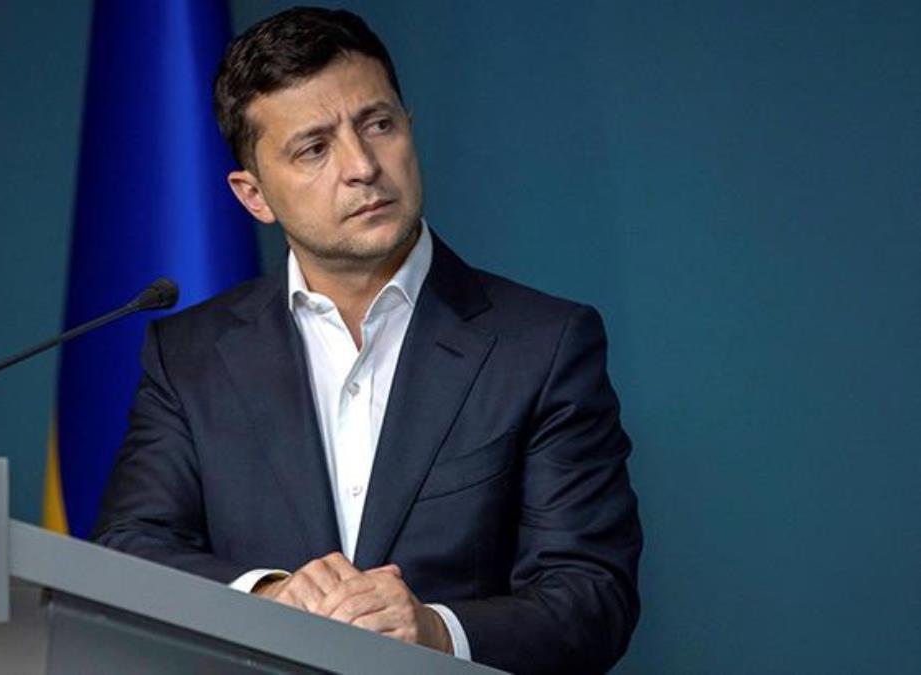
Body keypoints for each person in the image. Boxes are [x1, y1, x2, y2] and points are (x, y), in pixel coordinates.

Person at [94, 7, 641, 673]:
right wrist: (266, 596)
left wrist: (436, 631)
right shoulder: (188, 355)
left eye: (378, 124)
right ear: (253, 196)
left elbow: (592, 596)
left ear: (409, 127)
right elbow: (129, 546)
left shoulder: (544, 345)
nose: (362, 166)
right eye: (314, 148)